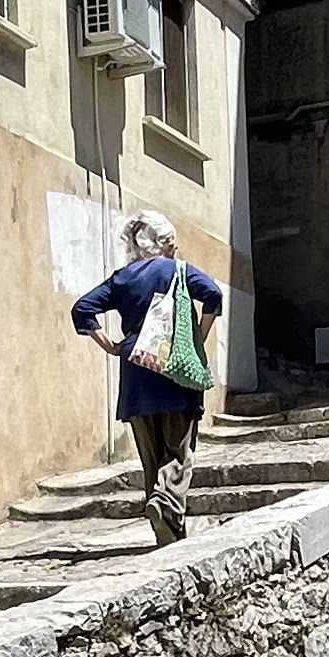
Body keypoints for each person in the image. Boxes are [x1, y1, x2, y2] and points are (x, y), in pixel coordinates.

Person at [72, 208, 223, 546]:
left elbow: (82, 308)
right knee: (179, 452)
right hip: (172, 368)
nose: (176, 249)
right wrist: (199, 334)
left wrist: (110, 345)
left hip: (135, 372)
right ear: (164, 242)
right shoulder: (177, 270)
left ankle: (168, 533)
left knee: (151, 456)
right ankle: (164, 501)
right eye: (173, 243)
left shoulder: (121, 279)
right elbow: (213, 294)